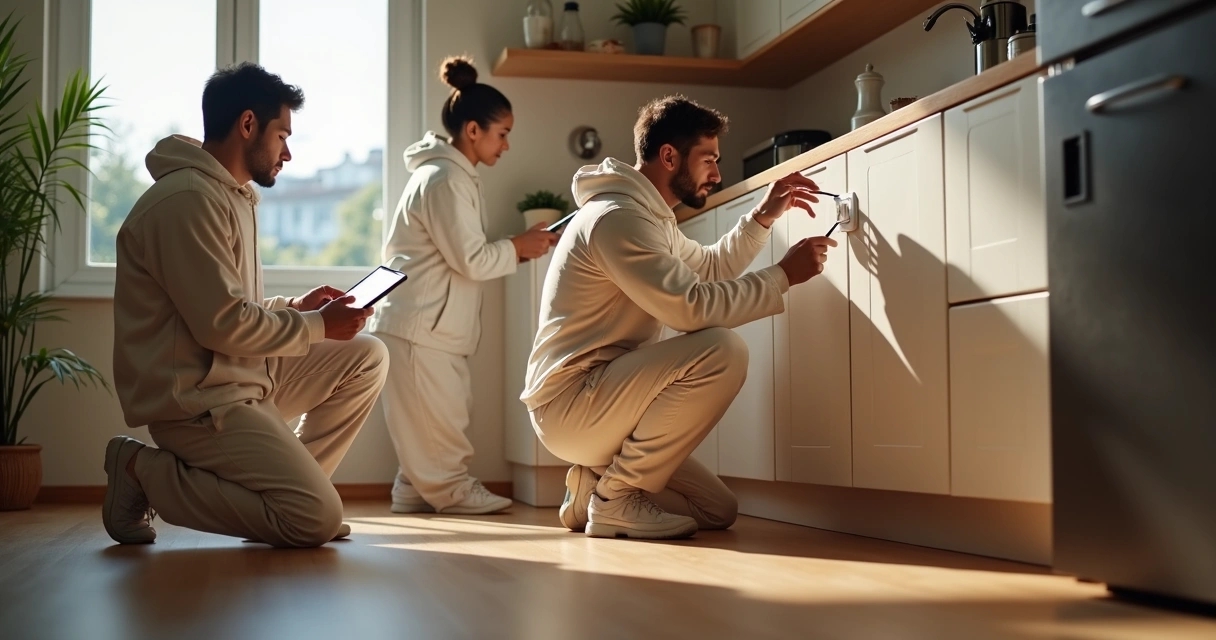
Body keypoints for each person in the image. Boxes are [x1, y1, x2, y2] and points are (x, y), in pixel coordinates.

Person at [521, 95, 837, 540]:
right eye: (708, 159)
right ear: (670, 156)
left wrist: (762, 218)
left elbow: (707, 270)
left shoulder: (649, 218)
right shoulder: (618, 219)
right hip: (574, 404)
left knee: (716, 509)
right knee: (722, 350)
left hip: (606, 402)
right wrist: (783, 276)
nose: (717, 173)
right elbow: (690, 309)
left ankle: (592, 490)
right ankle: (615, 500)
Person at [103, 62, 388, 548]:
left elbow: (228, 306)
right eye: (282, 135)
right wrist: (317, 325)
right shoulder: (188, 200)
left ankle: (293, 495)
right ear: (248, 125)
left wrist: (297, 307)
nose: (289, 152)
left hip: (236, 377)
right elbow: (221, 324)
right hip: (197, 400)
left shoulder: (231, 195)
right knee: (313, 521)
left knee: (367, 355)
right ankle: (139, 467)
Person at [368, 56, 558, 515]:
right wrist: (517, 246)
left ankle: (413, 489)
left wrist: (516, 247)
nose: (507, 145)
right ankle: (451, 490)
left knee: (437, 415)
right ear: (473, 130)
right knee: (441, 417)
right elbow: (471, 259)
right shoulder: (444, 179)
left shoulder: (452, 177)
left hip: (430, 324)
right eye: (503, 133)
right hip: (420, 325)